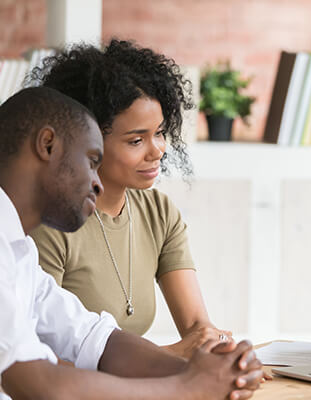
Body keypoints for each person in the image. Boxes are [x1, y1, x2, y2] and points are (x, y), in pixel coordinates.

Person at [0, 86, 263, 399]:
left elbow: (94, 338)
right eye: (91, 161)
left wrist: (215, 372)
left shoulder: (19, 253)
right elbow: (41, 387)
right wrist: (188, 387)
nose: (97, 183)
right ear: (47, 145)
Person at [28, 39, 229, 359]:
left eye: (160, 133)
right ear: (86, 140)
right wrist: (170, 356)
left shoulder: (159, 213)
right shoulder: (50, 225)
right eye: (137, 140)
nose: (158, 150)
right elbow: (38, 362)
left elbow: (196, 327)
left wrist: (218, 348)